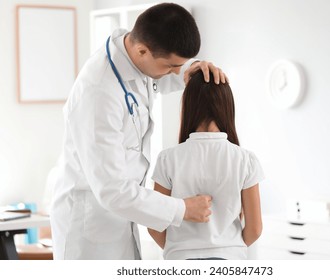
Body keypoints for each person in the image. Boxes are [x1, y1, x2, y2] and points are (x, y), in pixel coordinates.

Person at [50, 3, 227, 260]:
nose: (175, 72)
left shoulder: (136, 56)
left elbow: (156, 79)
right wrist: (182, 209)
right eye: (170, 66)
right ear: (142, 51)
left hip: (121, 218)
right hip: (90, 227)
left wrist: (193, 69)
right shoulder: (99, 92)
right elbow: (112, 190)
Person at [148, 70, 264, 260]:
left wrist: (177, 251)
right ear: (227, 107)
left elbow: (155, 225)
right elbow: (255, 229)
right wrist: (229, 249)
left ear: (188, 106)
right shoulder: (246, 160)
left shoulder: (168, 159)